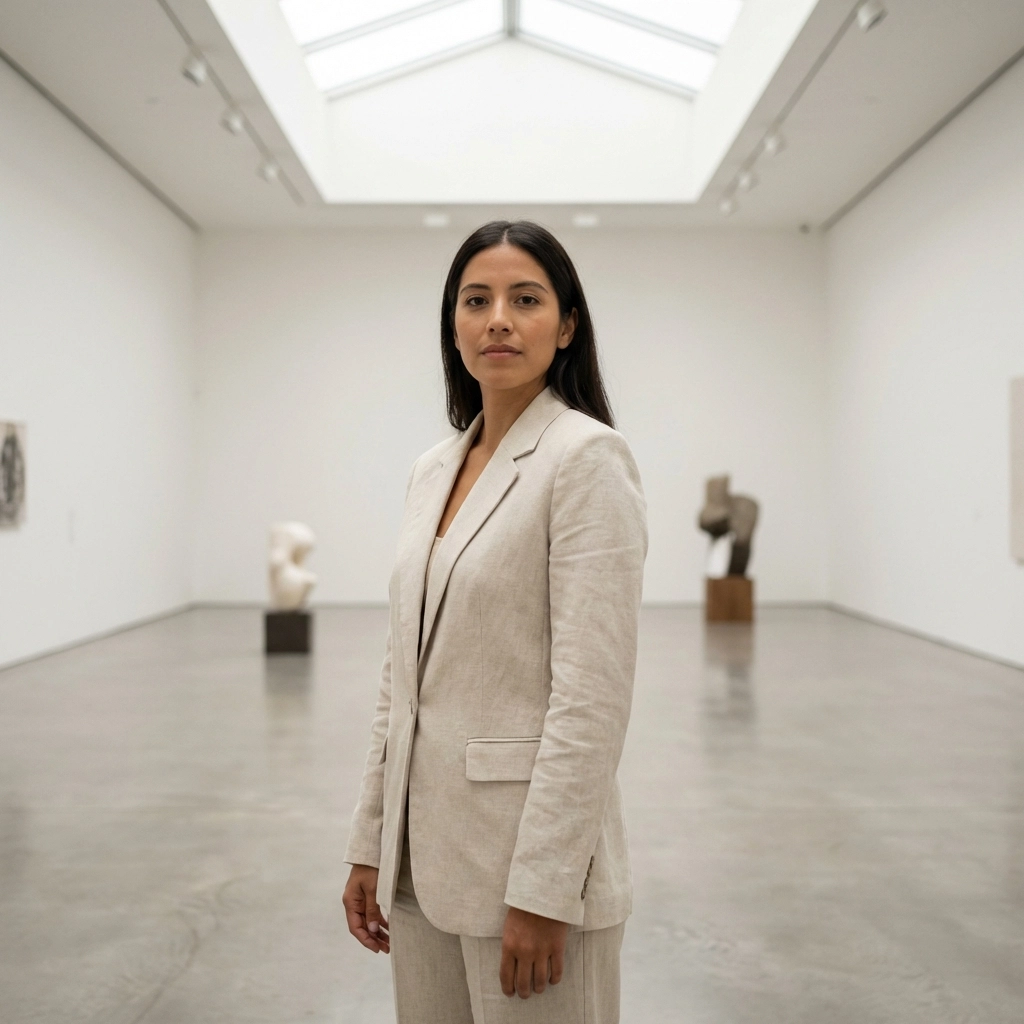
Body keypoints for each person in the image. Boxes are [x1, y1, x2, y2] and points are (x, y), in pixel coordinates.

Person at [342, 220, 648, 1022]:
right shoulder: (431, 469)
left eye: (526, 299)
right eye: (476, 300)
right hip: (419, 866)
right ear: (453, 324)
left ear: (568, 324)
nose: (498, 319)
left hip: (527, 875)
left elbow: (592, 698)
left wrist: (547, 889)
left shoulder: (587, 459)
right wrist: (371, 841)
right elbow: (398, 680)